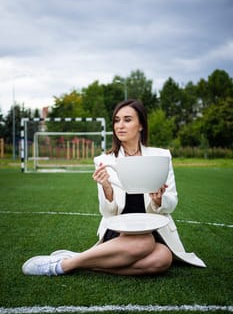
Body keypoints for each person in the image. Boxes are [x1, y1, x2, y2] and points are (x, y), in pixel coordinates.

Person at [22, 99, 206, 276]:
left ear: (141, 125)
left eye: (127, 120)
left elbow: (172, 202)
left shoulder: (161, 156)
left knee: (163, 258)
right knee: (143, 242)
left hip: (155, 228)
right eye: (117, 121)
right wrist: (107, 190)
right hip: (120, 230)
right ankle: (63, 266)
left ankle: (78, 261)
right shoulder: (104, 161)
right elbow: (107, 212)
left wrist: (159, 200)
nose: (120, 126)